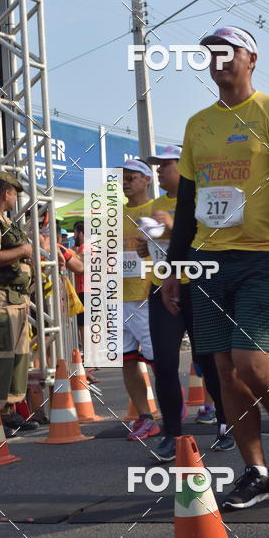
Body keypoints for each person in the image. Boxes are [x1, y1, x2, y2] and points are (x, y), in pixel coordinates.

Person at [162, 25, 269, 509]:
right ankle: (255, 471)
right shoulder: (198, 125)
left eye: (227, 52)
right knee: (222, 368)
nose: (218, 60)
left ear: (251, 58)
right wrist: (175, 269)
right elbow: (188, 204)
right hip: (207, 259)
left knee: (250, 359)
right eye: (210, 53)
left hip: (265, 253)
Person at [135, 144, 234, 462]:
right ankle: (172, 434)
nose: (159, 171)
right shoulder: (152, 206)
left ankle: (224, 424)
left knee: (208, 361)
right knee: (164, 363)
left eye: (165, 165)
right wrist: (144, 248)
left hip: (200, 286)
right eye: (157, 166)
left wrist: (172, 225)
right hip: (161, 288)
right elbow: (149, 250)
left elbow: (210, 238)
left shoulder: (204, 200)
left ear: (183, 167)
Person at [0, 172, 35, 431]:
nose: (16, 199)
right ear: (7, 193)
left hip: (15, 298)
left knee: (18, 356)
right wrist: (24, 251)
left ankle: (8, 410)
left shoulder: (4, 220)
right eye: (15, 194)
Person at [121, 158, 159, 441]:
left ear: (147, 180)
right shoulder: (114, 215)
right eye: (123, 177)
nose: (126, 181)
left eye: (132, 176)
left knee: (158, 361)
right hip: (118, 297)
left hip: (147, 297)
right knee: (127, 361)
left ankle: (170, 410)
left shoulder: (156, 211)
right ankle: (145, 417)